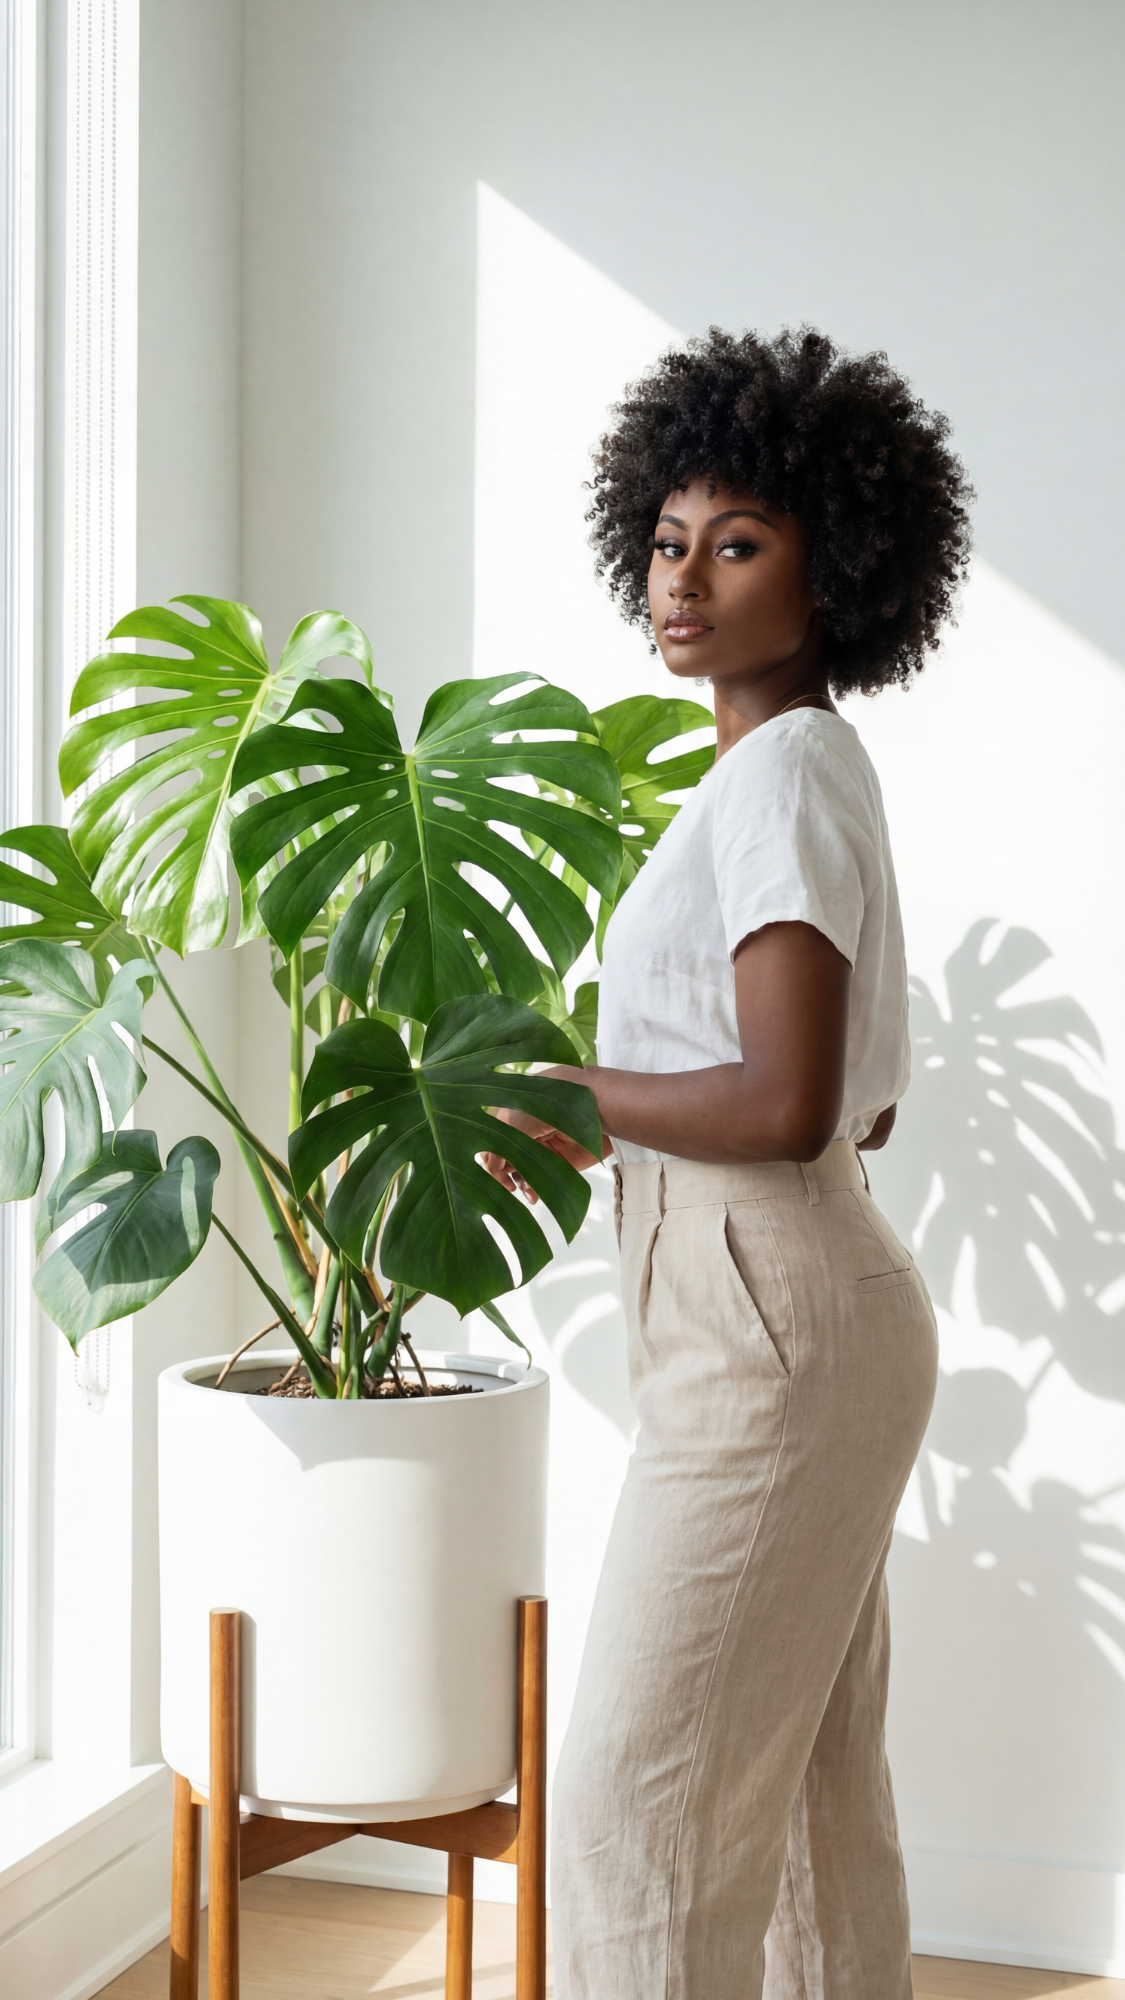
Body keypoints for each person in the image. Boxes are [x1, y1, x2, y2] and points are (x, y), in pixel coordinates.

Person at [486, 326, 973, 2000]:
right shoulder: (796, 777)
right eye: (669, 538)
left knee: (639, 1812)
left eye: (740, 542)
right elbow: (863, 1102)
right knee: (815, 1815)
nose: (683, 577)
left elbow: (784, 1105)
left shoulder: (782, 776)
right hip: (804, 1308)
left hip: (771, 1324)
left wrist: (576, 1088)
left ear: (838, 570)